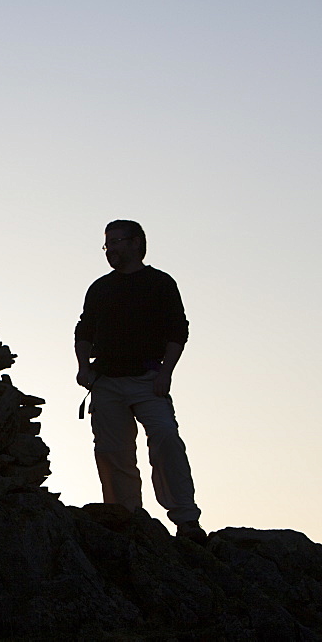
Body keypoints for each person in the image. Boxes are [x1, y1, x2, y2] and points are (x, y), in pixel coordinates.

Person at [74, 220, 206, 543]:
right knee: (111, 451)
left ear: (137, 243)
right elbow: (83, 332)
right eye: (107, 244)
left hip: (149, 380)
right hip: (106, 382)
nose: (111, 249)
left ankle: (186, 519)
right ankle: (126, 518)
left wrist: (165, 374)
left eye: (117, 241)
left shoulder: (160, 284)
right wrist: (82, 368)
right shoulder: (99, 289)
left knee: (166, 439)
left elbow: (179, 331)